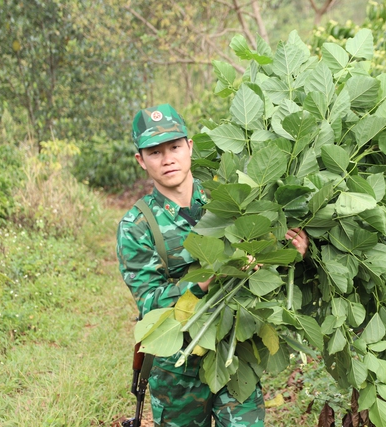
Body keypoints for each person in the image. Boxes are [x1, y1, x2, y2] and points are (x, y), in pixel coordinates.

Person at [116, 103, 309, 427]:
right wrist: (205, 281)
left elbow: (258, 271)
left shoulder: (229, 198)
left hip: (234, 352)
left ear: (189, 147)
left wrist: (289, 256)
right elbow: (148, 302)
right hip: (178, 364)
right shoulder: (137, 225)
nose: (168, 159)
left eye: (175, 146)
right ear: (141, 160)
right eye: (155, 152)